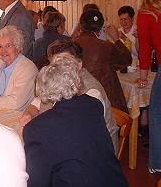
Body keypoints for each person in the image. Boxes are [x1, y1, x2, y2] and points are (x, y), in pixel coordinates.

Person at [23, 55, 129, 187]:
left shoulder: (37, 128)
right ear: (76, 81)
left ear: (43, 91)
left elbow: (37, 182)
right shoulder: (93, 105)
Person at [20, 41, 119, 152]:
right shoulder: (59, 81)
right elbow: (37, 102)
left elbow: (77, 132)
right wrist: (29, 114)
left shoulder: (91, 92)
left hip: (96, 151)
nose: (59, 67)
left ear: (79, 64)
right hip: (66, 140)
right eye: (54, 63)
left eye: (64, 62)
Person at [74, 9, 131, 113]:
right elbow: (127, 60)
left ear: (81, 27)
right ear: (100, 31)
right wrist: (117, 40)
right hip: (104, 99)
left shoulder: (69, 44)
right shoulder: (107, 46)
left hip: (75, 98)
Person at [135, 0, 161, 173]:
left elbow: (145, 49)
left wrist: (143, 77)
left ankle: (156, 163)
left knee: (156, 113)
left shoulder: (145, 14)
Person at [0, 26, 38, 110]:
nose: (3, 51)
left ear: (18, 47)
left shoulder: (27, 69)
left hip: (17, 118)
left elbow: (15, 103)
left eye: (8, 46)